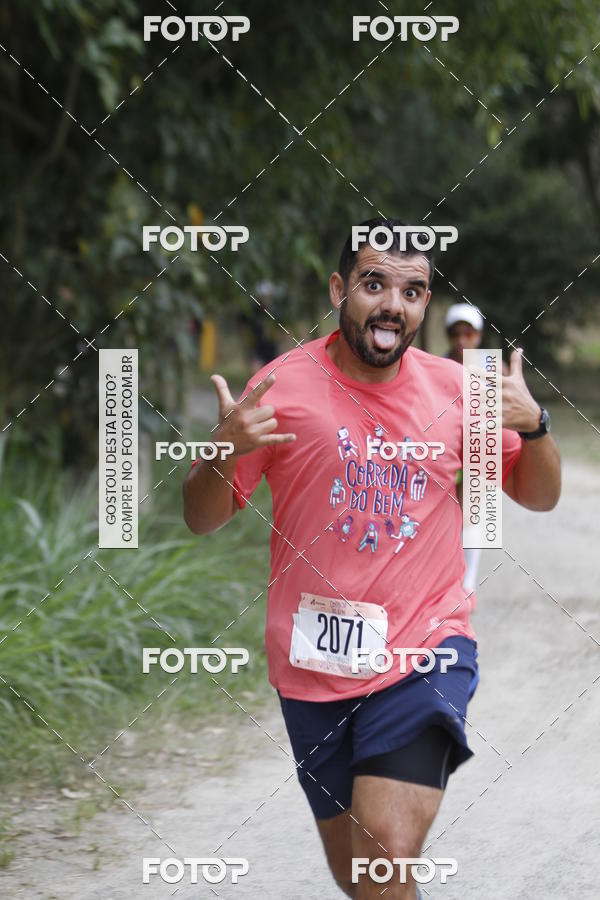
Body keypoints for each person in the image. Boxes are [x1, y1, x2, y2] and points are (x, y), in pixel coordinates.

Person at [183, 217, 561, 899]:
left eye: (411, 292)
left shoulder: (459, 392)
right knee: (361, 877)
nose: (393, 305)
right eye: (374, 284)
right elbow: (201, 518)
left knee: (384, 848)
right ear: (339, 290)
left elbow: (538, 495)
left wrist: (535, 427)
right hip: (312, 663)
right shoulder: (280, 386)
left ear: (425, 305)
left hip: (425, 648)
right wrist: (221, 451)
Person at [443, 302, 510, 607]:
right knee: (449, 514)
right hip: (448, 447)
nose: (461, 340)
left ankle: (468, 584)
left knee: (471, 510)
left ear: (479, 336)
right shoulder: (438, 366)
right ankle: (449, 579)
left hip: (480, 447)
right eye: (455, 333)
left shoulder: (493, 369)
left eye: (468, 334)